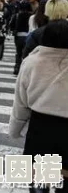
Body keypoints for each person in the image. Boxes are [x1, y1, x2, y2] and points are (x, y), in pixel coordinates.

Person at [9, 19, 68, 193]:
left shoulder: (32, 62)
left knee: (38, 180)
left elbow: (21, 101)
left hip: (41, 128)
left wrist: (15, 129)